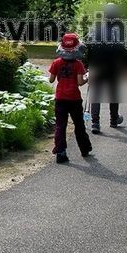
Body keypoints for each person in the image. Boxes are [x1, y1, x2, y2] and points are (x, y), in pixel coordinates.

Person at [48, 32, 92, 164]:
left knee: (60, 125)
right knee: (79, 124)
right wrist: (88, 76)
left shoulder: (56, 62)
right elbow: (80, 82)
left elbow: (51, 80)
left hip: (60, 98)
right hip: (74, 99)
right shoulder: (78, 64)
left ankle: (61, 152)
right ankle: (84, 149)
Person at [86, 3, 127, 134]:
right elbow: (121, 49)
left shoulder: (95, 27)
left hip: (97, 65)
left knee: (96, 94)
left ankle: (95, 123)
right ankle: (114, 120)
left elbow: (89, 47)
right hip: (112, 66)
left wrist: (89, 66)